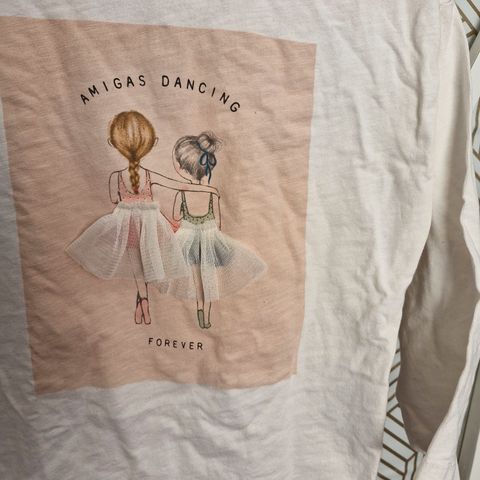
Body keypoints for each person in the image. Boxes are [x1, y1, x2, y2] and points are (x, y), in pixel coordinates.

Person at [158, 131, 267, 329]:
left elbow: (176, 217)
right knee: (208, 279)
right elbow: (217, 221)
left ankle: (199, 311)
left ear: (182, 168)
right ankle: (206, 317)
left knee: (194, 279)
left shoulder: (182, 193)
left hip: (187, 238)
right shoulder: (212, 193)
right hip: (209, 238)